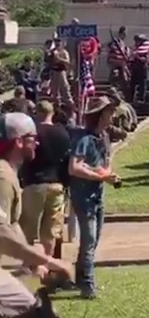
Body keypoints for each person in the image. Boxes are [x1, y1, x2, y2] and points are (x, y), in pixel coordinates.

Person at [0, 112, 73, 315]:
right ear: (19, 141)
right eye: (34, 138)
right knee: (35, 311)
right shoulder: (3, 178)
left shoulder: (9, 174)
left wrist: (34, 259)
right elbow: (2, 235)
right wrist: (49, 261)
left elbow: (11, 226)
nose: (38, 143)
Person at [67, 96, 121, 299]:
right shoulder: (84, 138)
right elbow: (74, 167)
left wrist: (109, 174)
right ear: (100, 115)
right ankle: (88, 286)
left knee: (93, 240)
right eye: (109, 111)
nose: (113, 115)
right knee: (89, 241)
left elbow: (102, 164)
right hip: (83, 197)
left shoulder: (103, 137)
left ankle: (81, 279)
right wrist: (101, 175)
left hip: (97, 195)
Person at [20, 101, 70, 259]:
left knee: (28, 227)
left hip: (35, 182)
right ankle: (46, 261)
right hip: (57, 184)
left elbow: (26, 156)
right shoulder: (63, 133)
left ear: (37, 113)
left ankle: (28, 263)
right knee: (50, 230)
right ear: (52, 113)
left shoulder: (33, 133)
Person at [50, 38, 72, 104]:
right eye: (56, 42)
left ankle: (69, 102)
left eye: (58, 42)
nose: (57, 43)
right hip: (53, 71)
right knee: (54, 89)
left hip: (61, 71)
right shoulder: (52, 51)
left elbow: (68, 62)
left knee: (65, 87)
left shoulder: (64, 52)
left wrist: (59, 59)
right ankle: (56, 103)